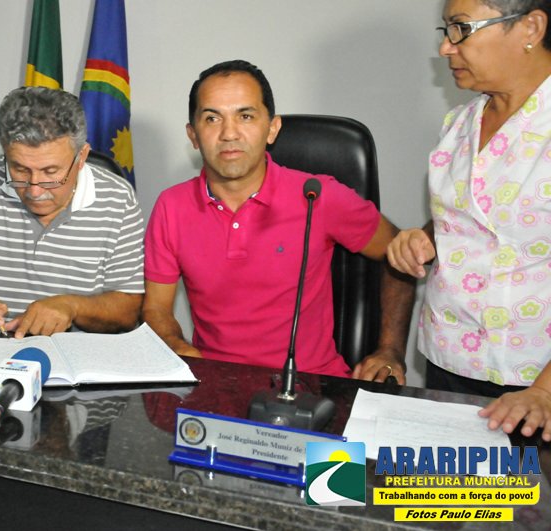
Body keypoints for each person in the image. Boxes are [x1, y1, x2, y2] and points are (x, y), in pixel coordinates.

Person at [142, 59, 404, 379]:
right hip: (215, 382)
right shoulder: (171, 206)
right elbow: (156, 309)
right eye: (212, 118)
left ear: (272, 128)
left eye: (246, 116)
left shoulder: (317, 196)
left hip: (311, 385)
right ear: (193, 135)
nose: (229, 133)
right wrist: (175, 344)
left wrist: (390, 349)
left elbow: (402, 254)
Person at [387, 0, 551, 442]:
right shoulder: (461, 122)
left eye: (461, 29)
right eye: (446, 30)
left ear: (531, 27)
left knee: (525, 490)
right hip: (451, 360)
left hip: (534, 383)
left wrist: (545, 391)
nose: (445, 47)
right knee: (445, 488)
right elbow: (472, 220)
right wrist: (422, 239)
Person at [0, 87, 144, 338]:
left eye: (50, 172)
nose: (34, 190)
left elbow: (127, 310)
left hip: (75, 353)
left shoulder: (117, 198)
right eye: (20, 170)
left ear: (82, 157)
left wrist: (72, 307)